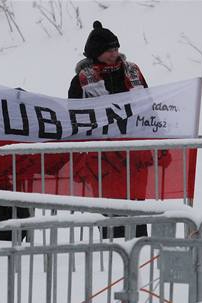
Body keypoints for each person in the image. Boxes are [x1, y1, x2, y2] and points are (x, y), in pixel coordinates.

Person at [68, 20, 158, 238]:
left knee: (138, 208)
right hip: (102, 158)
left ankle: (138, 248)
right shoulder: (80, 81)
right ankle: (114, 253)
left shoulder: (132, 72)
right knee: (110, 210)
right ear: (95, 53)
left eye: (116, 48)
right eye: (108, 49)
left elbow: (148, 106)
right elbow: (74, 117)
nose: (114, 53)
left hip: (135, 155)